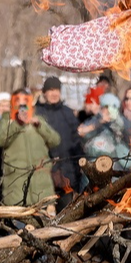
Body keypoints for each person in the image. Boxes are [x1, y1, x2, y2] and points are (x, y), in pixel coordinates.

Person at [0, 89, 60, 206]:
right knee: (18, 220)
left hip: (40, 181)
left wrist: (40, 126)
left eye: (25, 100)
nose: (21, 105)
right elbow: (0, 141)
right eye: (18, 101)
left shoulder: (38, 120)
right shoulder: (7, 121)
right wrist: (17, 124)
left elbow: (55, 140)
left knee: (43, 220)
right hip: (16, 182)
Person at [36, 76, 81, 204]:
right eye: (50, 90)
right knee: (41, 214)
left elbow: (76, 141)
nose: (54, 93)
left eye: (57, 90)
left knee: (67, 216)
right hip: (44, 172)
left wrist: (77, 169)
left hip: (67, 173)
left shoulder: (67, 113)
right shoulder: (37, 113)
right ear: (44, 92)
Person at [77, 92, 131, 172]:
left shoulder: (122, 121)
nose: (106, 110)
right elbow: (80, 132)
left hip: (115, 167)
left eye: (110, 107)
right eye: (104, 107)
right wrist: (99, 123)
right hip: (93, 166)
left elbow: (130, 135)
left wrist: (117, 123)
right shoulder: (95, 120)